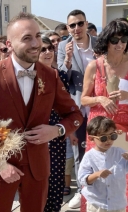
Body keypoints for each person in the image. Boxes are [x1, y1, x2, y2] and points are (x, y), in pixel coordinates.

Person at [0, 12, 83, 212]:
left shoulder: (50, 75)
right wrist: (0, 162)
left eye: (38, 36)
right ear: (10, 44)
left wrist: (56, 130)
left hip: (37, 167)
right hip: (0, 168)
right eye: (26, 38)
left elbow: (75, 115)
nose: (35, 43)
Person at [81, 20, 128, 212]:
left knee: (125, 175)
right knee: (99, 173)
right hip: (99, 131)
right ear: (106, 40)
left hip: (126, 132)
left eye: (124, 39)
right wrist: (100, 99)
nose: (120, 44)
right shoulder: (94, 66)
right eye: (115, 39)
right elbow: (84, 99)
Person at [57, 9, 97, 209]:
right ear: (67, 28)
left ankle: (100, 189)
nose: (76, 28)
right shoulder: (64, 46)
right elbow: (62, 78)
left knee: (100, 146)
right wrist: (67, 60)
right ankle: (81, 192)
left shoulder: (99, 44)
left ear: (86, 24)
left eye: (80, 23)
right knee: (79, 150)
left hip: (99, 103)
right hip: (78, 106)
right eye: (72, 25)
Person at [38, 36, 70, 212]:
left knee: (56, 178)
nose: (48, 52)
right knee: (39, 180)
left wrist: (68, 131)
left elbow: (67, 107)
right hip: (36, 133)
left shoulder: (61, 75)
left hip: (56, 133)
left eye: (50, 48)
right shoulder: (29, 76)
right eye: (43, 49)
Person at [78, 116, 128, 212]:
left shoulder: (120, 153)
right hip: (97, 205)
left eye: (112, 136)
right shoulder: (89, 156)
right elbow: (82, 179)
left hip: (117, 204)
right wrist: (97, 174)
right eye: (103, 138)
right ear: (91, 138)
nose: (109, 140)